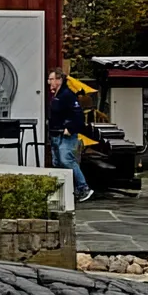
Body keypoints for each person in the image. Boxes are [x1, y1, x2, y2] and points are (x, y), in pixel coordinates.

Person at [47, 67, 93, 203]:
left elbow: (78, 116)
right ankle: (65, 191)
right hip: (55, 134)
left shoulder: (67, 95)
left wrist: (70, 128)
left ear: (59, 80)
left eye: (51, 79)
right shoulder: (57, 95)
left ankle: (83, 187)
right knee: (57, 162)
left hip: (65, 135)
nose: (49, 82)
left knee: (66, 160)